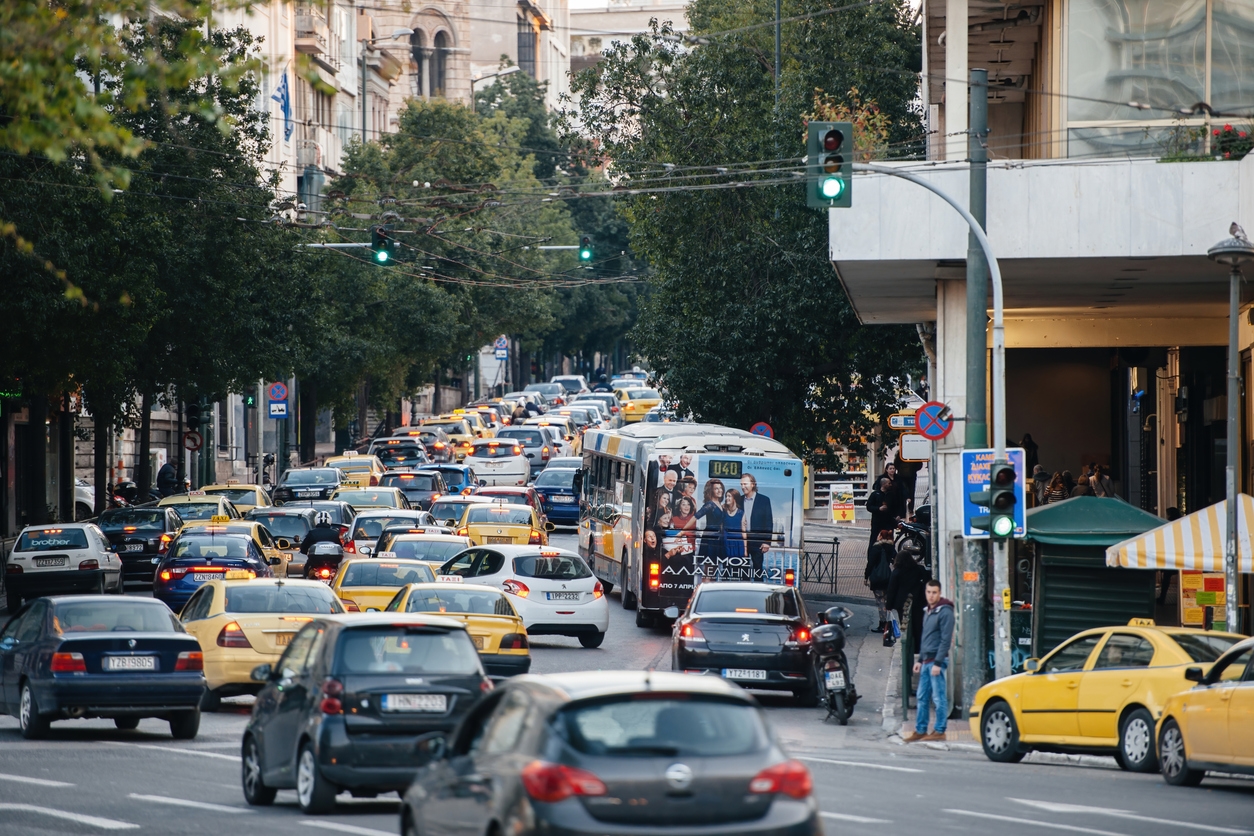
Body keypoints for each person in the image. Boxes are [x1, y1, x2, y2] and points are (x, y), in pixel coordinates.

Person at [903, 580, 954, 743]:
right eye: (928, 592)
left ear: (939, 594)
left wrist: (938, 663)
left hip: (936, 661)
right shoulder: (928, 611)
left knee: (938, 697)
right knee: (922, 697)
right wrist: (921, 660)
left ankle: (939, 730)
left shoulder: (945, 612)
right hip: (926, 661)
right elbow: (926, 638)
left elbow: (945, 640)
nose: (931, 596)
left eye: (934, 592)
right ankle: (921, 729)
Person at [886, 552, 931, 653]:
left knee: (906, 625)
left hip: (902, 603)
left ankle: (909, 648)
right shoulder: (919, 569)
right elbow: (928, 580)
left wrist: (888, 605)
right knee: (918, 625)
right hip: (919, 601)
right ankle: (918, 647)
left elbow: (892, 590)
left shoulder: (897, 572)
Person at [739, 473, 775, 573]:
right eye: (741, 484)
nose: (743, 487)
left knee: (758, 571)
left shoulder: (764, 500)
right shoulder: (739, 500)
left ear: (753, 484)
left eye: (745, 484)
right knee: (743, 572)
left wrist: (767, 542)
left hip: (758, 542)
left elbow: (768, 521)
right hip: (742, 541)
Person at [864, 529, 895, 631]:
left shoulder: (876, 548)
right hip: (887, 577)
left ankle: (883, 624)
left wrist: (866, 576)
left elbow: (870, 564)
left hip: (877, 578)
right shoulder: (890, 548)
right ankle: (888, 623)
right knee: (886, 601)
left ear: (880, 536)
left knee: (880, 602)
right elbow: (895, 559)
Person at [866, 476, 897, 546]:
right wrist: (878, 509)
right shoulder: (875, 494)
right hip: (877, 521)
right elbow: (869, 506)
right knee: (874, 540)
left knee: (889, 540)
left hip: (888, 521)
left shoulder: (891, 495)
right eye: (889, 483)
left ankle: (889, 555)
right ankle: (872, 555)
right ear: (884, 484)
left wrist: (897, 515)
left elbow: (895, 506)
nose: (890, 485)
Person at [722, 489, 746, 560]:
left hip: (738, 543)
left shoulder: (741, 513)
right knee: (726, 566)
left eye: (729, 496)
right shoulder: (723, 511)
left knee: (737, 567)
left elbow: (744, 532)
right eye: (726, 496)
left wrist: (745, 549)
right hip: (726, 543)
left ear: (734, 498)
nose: (727, 498)